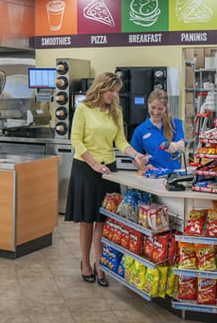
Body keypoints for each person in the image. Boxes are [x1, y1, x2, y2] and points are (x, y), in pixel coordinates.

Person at [67, 72, 150, 287]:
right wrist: (93, 164)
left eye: (117, 92)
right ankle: (85, 263)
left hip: (108, 169)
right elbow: (75, 139)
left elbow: (120, 141)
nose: (114, 95)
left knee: (103, 221)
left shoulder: (116, 112)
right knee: (87, 221)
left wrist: (135, 155)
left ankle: (100, 264)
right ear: (100, 88)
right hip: (86, 168)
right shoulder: (84, 108)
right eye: (111, 91)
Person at [129, 89, 185, 172]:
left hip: (173, 174)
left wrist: (175, 146)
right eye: (153, 107)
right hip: (153, 175)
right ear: (148, 104)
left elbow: (182, 143)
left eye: (160, 109)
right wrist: (144, 168)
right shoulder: (140, 130)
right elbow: (134, 157)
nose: (155, 112)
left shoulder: (175, 123)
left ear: (165, 108)